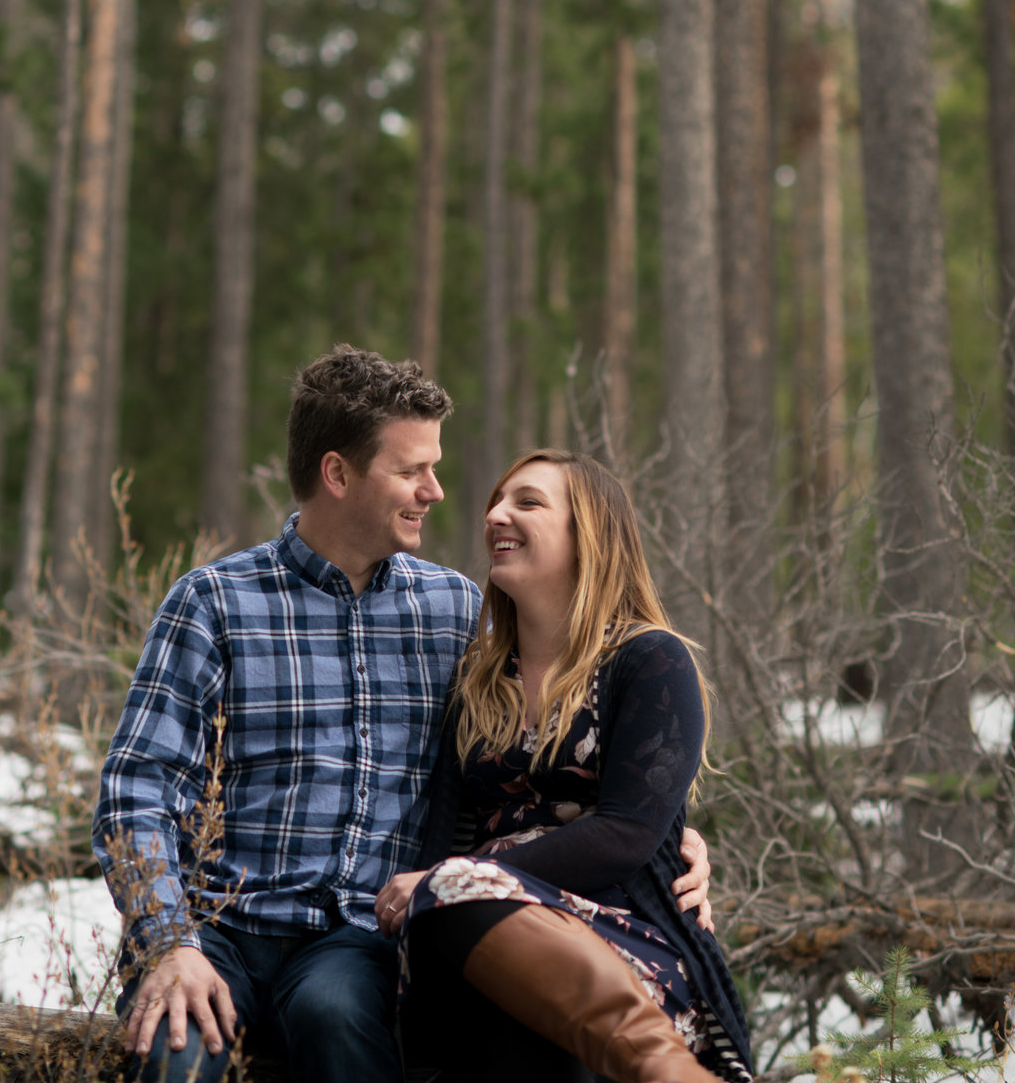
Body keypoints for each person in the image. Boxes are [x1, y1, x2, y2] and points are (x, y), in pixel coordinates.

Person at [93, 350, 713, 1083]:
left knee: (343, 1023)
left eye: (436, 466)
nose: (437, 490)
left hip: (355, 941)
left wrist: (672, 833)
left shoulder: (454, 612)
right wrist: (170, 942)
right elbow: (136, 793)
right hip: (216, 927)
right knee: (176, 1051)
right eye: (412, 470)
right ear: (338, 474)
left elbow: (535, 765)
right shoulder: (215, 603)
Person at [376, 449, 753, 1083]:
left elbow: (630, 833)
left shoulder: (649, 661)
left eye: (527, 502)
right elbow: (448, 828)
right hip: (485, 930)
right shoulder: (479, 680)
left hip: (620, 934)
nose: (496, 514)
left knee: (456, 903)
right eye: (496, 501)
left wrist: (460, 876)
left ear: (590, 536)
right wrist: (447, 882)